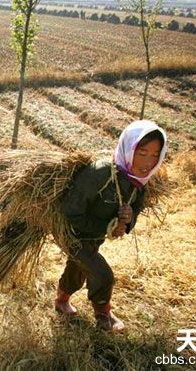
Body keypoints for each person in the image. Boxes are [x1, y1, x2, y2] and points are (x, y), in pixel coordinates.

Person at [56, 120, 168, 332]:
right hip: (72, 233)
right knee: (102, 273)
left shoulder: (140, 181)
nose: (148, 162)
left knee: (78, 268)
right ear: (129, 148)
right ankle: (103, 312)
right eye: (142, 152)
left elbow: (135, 208)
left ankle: (61, 299)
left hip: (93, 237)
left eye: (155, 155)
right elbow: (71, 211)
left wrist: (127, 220)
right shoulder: (99, 173)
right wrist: (107, 226)